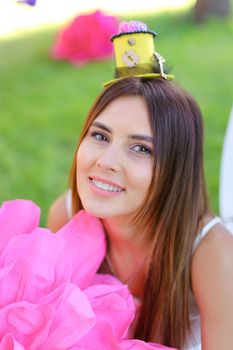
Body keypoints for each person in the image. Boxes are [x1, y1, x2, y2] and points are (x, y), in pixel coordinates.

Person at [47, 21, 233, 349]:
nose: (106, 161)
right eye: (100, 136)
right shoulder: (66, 215)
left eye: (141, 148)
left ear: (175, 167)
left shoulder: (213, 256)